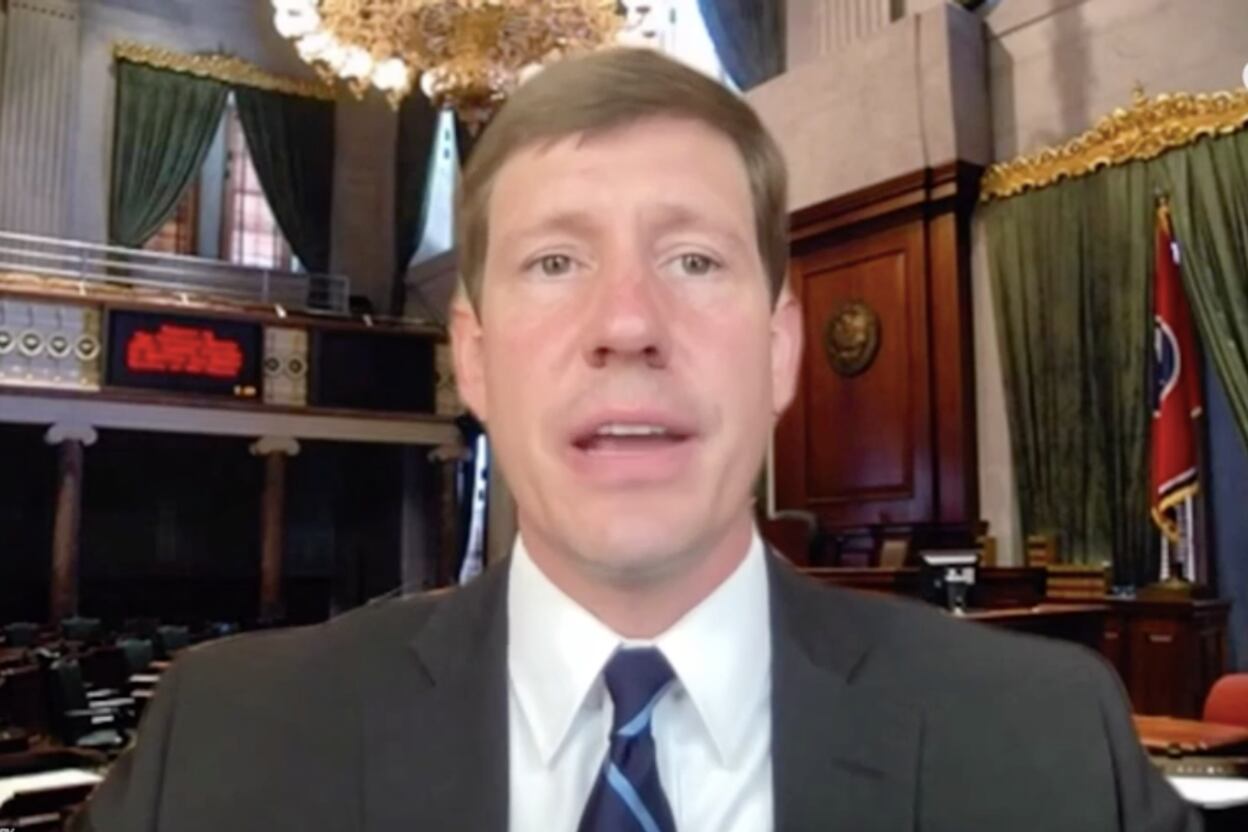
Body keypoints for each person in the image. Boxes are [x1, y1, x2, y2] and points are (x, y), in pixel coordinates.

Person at [76, 47, 1198, 832]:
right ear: (472, 356)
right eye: (555, 262)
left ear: (778, 349)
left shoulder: (1045, 745)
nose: (626, 324)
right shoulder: (225, 744)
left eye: (695, 261)